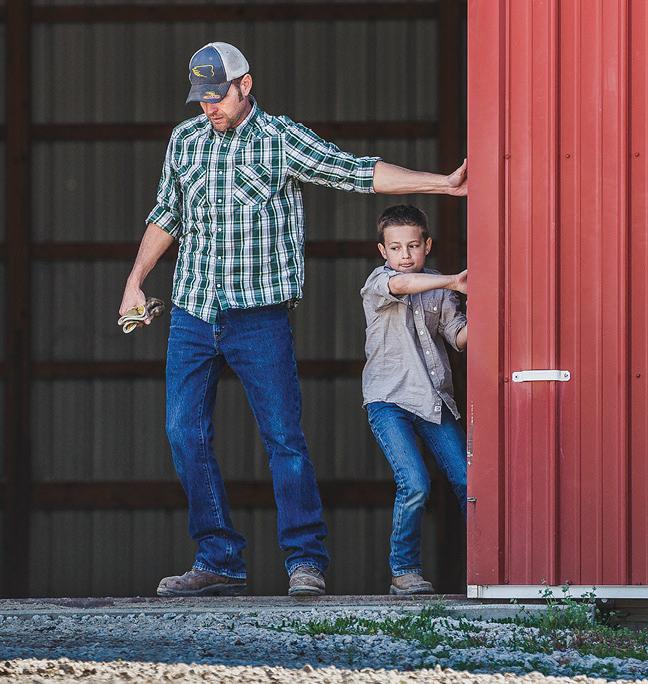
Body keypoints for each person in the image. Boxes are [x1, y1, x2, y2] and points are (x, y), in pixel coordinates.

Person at [118, 42, 466, 597]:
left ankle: (305, 560)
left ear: (245, 85)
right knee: (184, 434)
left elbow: (354, 172)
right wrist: (135, 280)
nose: (209, 107)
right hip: (192, 312)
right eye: (201, 98)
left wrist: (442, 183)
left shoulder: (280, 139)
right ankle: (218, 560)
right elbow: (166, 215)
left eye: (218, 95)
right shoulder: (185, 141)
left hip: (259, 317)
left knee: (283, 437)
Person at [359, 205, 468, 595]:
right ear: (382, 251)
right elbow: (401, 285)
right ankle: (404, 571)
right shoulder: (378, 281)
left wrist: (486, 310)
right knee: (415, 482)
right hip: (389, 400)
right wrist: (456, 280)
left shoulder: (442, 287)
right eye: (395, 248)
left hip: (433, 400)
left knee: (469, 482)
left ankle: (490, 567)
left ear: (427, 245)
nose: (404, 255)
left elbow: (457, 336)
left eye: (413, 246)